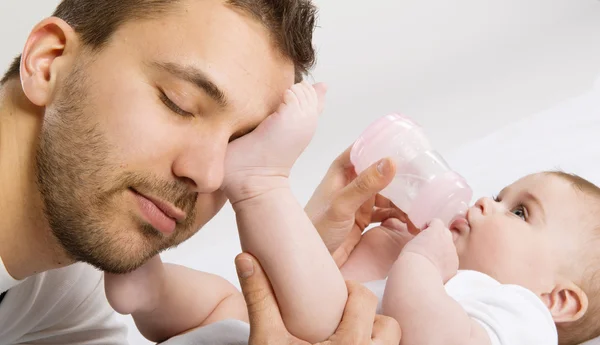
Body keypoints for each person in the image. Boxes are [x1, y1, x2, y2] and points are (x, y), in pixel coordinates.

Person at [0, 0, 402, 343]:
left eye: (238, 146)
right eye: (179, 103)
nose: (210, 176)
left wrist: (295, 258)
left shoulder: (62, 286)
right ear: (48, 62)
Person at [378, 171, 600, 345]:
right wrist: (382, 248)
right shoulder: (436, 279)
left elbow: (438, 340)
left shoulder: (527, 318)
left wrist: (420, 261)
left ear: (557, 300)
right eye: (498, 198)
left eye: (519, 212)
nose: (484, 201)